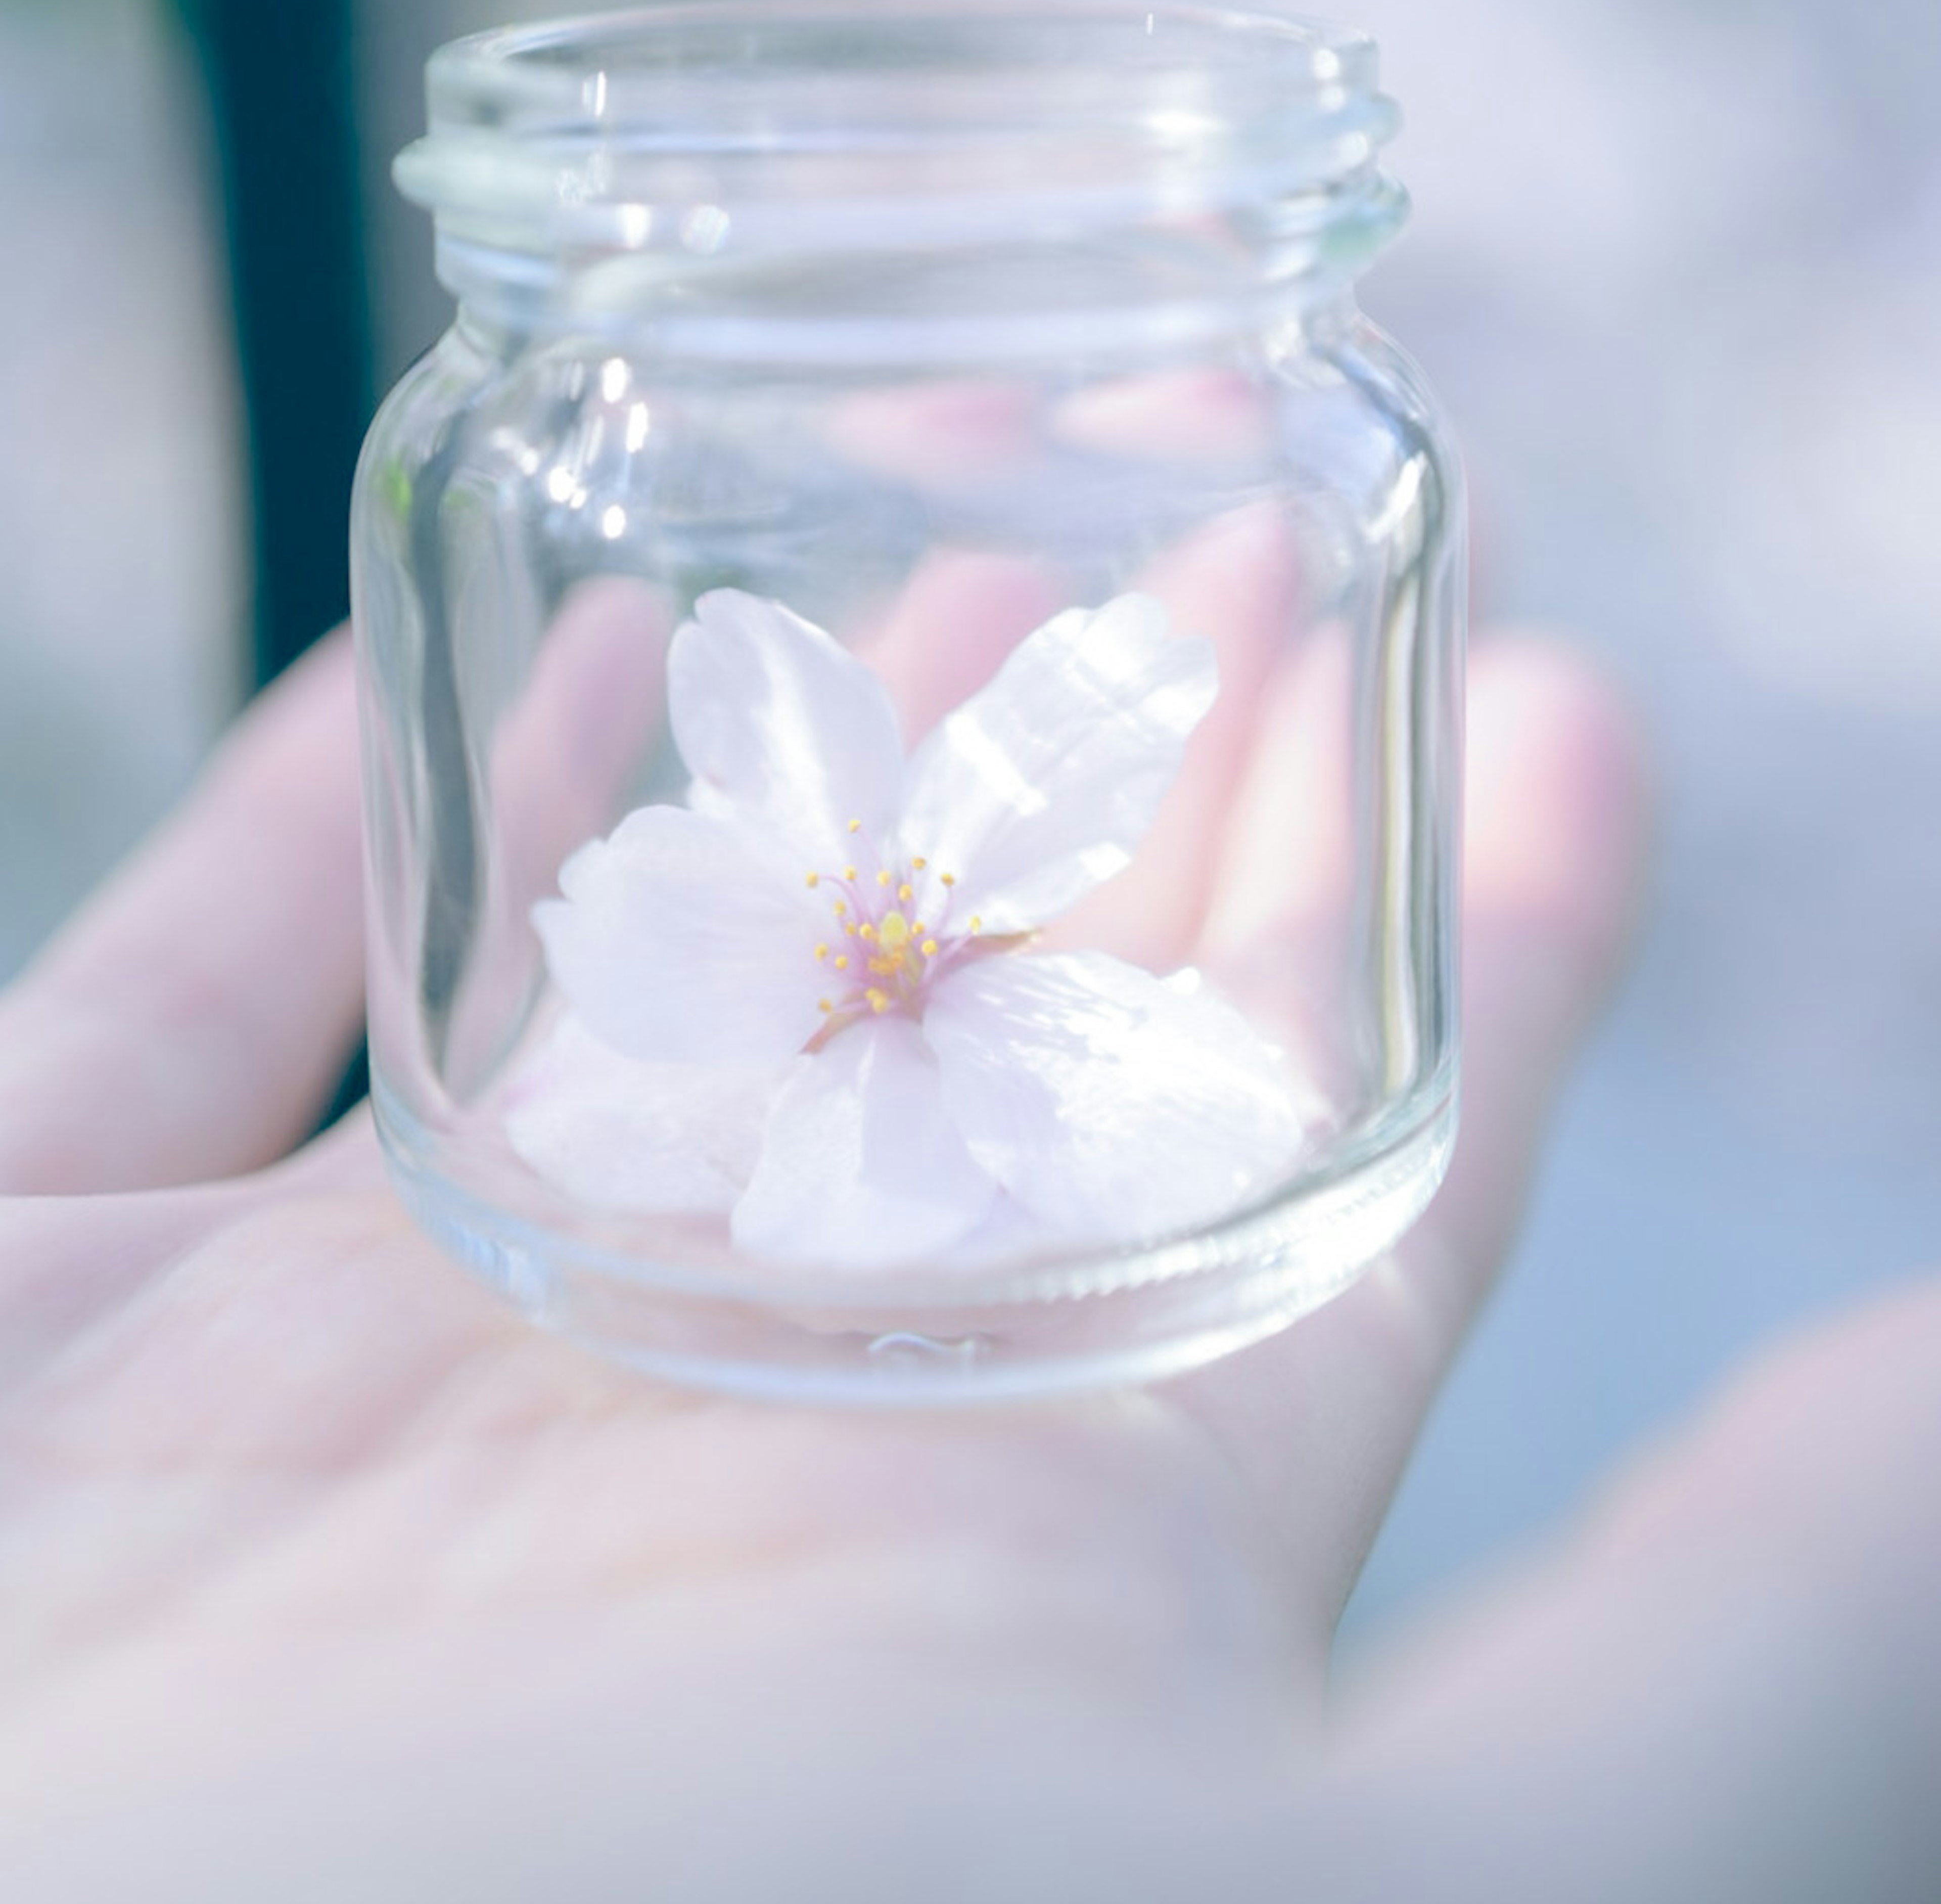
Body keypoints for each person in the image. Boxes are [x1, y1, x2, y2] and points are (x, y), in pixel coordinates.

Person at [0, 621, 1932, 1900]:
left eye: (891, 929)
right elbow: (709, 1045)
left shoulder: (1006, 978)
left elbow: (1161, 1056)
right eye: (871, 936)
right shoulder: (753, 1000)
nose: (885, 941)